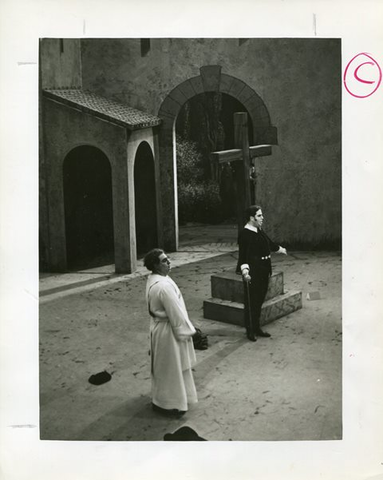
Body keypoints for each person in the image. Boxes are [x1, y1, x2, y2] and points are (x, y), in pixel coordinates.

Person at [144, 248, 198, 417]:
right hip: (169, 332)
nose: (169, 262)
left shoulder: (155, 279)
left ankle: (165, 400)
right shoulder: (163, 287)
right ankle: (170, 405)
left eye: (168, 259)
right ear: (155, 265)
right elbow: (176, 313)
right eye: (164, 261)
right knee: (171, 369)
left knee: (164, 367)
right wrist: (191, 332)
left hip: (160, 329)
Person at [237, 205, 287, 341]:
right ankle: (250, 330)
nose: (262, 218)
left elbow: (269, 243)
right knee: (251, 303)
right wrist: (245, 272)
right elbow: (243, 256)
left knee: (258, 302)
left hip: (264, 271)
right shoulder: (245, 234)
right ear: (251, 218)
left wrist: (280, 249)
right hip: (253, 273)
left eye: (261, 215)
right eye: (259, 216)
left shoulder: (258, 230)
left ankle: (257, 327)